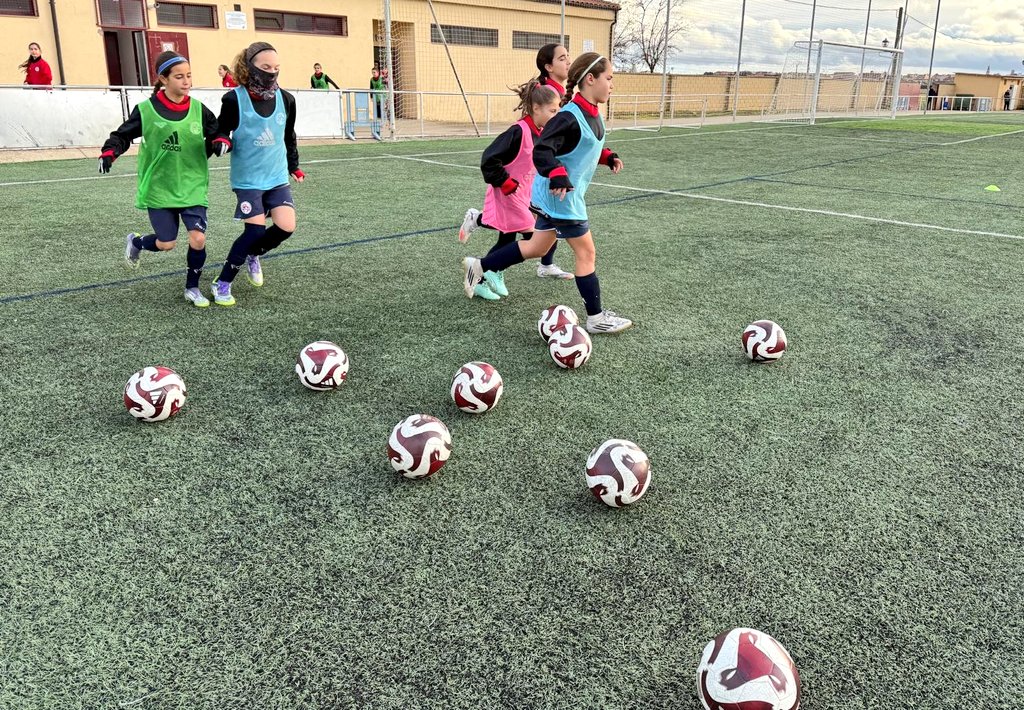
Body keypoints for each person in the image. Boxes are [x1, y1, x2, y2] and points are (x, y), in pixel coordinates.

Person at [461, 53, 632, 334]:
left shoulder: (591, 113)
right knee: (587, 252)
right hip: (561, 198)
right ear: (591, 79)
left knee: (536, 247)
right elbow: (543, 150)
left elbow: (582, 147)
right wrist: (556, 173)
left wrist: (608, 156)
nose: (612, 84)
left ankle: (479, 266)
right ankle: (596, 318)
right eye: (609, 78)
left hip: (554, 196)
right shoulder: (568, 116)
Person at [98, 51, 224, 308]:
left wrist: (222, 141)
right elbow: (122, 135)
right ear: (163, 79)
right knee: (166, 243)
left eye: (189, 75)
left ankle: (192, 287)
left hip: (192, 184)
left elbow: (217, 132)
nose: (186, 81)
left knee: (198, 238)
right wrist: (110, 152)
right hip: (159, 187)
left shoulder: (199, 109)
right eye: (179, 76)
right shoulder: (146, 110)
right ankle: (136, 242)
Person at [211, 41, 304, 307]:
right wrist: (222, 141)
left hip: (276, 178)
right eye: (265, 67)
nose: (272, 72)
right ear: (250, 66)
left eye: (276, 68)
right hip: (248, 179)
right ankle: (223, 282)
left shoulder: (287, 99)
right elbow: (221, 130)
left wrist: (293, 166)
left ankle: (254, 254)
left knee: (287, 226)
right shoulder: (233, 99)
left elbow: (289, 136)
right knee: (253, 231)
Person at [456, 80, 561, 300]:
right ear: (536, 108)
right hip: (507, 193)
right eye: (552, 110)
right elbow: (489, 159)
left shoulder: (542, 133)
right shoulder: (517, 131)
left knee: (507, 239)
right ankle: (488, 268)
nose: (556, 115)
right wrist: (504, 182)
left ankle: (480, 277)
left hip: (523, 195)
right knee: (536, 239)